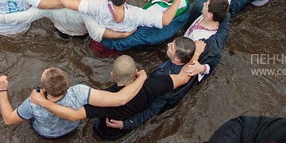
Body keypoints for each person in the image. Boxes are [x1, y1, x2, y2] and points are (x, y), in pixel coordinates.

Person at [26, 54, 206, 140]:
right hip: (125, 128)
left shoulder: (105, 100)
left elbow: (73, 115)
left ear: (113, 75)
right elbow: (183, 78)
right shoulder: (153, 84)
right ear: (136, 72)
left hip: (107, 130)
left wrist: (43, 102)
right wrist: (196, 54)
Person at [0, 67, 148, 139]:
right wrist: (141, 78)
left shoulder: (33, 103)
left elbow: (8, 119)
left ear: (44, 89)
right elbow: (120, 99)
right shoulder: (79, 92)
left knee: (30, 120)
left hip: (47, 134)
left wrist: (2, 90)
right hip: (72, 128)